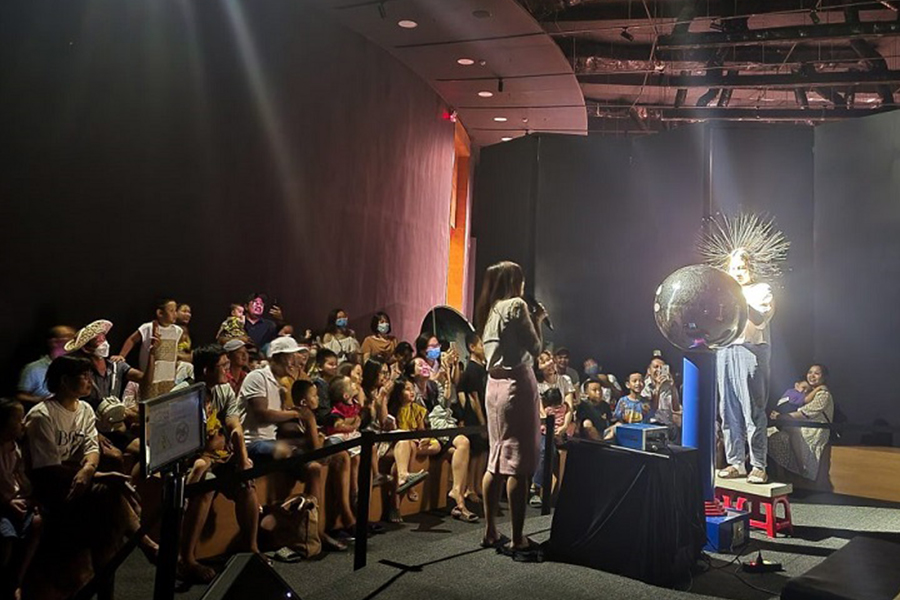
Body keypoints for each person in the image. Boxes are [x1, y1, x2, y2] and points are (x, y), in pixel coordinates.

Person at [24, 356, 155, 599]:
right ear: (64, 381)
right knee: (109, 496)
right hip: (54, 488)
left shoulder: (84, 409)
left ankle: (141, 544)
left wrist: (89, 470)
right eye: (83, 376)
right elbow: (47, 470)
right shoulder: (42, 416)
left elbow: (91, 447)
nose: (89, 381)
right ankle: (144, 542)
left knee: (108, 518)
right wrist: (100, 475)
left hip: (79, 481)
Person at [238, 339, 353, 550]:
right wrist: (298, 414)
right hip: (253, 442)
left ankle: (312, 530)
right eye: (291, 358)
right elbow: (262, 413)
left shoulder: (281, 383)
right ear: (279, 357)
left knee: (318, 464)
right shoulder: (257, 376)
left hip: (273, 439)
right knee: (292, 452)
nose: (294, 362)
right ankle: (296, 525)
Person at [475, 260, 546, 559]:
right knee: (519, 460)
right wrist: (538, 319)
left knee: (496, 458)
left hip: (494, 388)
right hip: (516, 387)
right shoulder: (516, 306)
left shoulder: (490, 310)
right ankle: (518, 538)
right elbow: (536, 347)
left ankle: (491, 530)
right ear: (516, 282)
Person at [178, 345, 260, 584]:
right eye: (223, 366)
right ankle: (187, 558)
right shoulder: (184, 393)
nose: (228, 370)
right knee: (207, 484)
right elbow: (187, 440)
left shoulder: (224, 390)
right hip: (192, 461)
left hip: (218, 456)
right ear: (206, 369)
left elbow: (234, 426)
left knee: (246, 483)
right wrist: (213, 444)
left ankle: (251, 548)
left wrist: (243, 459)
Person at [717, 249, 777, 484]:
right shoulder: (723, 291)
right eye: (733, 268)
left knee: (752, 409)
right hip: (725, 348)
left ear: (751, 268)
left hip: (751, 350)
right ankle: (735, 462)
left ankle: (759, 465)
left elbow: (760, 319)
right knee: (727, 409)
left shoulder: (763, 290)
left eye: (741, 267)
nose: (737, 272)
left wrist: (738, 297)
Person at [0, 398, 41, 600]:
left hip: (16, 501)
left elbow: (19, 475)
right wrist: (7, 502)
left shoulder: (14, 447)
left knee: (37, 523)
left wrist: (29, 496)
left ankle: (18, 579)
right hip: (4, 505)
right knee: (6, 539)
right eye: (17, 419)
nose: (23, 423)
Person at [768, 364, 835, 481]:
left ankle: (801, 468)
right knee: (773, 435)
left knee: (788, 432)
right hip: (801, 425)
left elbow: (805, 413)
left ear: (823, 378)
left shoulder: (823, 394)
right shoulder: (807, 393)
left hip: (814, 430)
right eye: (810, 372)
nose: (812, 376)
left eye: (817, 373)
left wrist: (782, 416)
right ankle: (784, 473)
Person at [117, 298, 185, 398]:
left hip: (169, 378)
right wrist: (121, 355)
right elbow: (132, 340)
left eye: (175, 310)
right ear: (160, 313)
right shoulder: (148, 328)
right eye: (171, 311)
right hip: (151, 378)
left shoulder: (178, 331)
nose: (175, 314)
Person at [455, 332, 488, 500]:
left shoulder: (483, 368)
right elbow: (473, 397)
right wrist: (482, 422)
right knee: (475, 452)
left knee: (483, 451)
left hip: (484, 414)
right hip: (475, 417)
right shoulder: (472, 369)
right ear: (472, 347)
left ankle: (478, 485)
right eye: (482, 344)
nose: (485, 347)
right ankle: (469, 488)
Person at [16, 326, 75, 406]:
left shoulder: (76, 366)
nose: (72, 341)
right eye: (67, 336)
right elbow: (21, 396)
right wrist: (42, 400)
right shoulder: (33, 369)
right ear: (53, 342)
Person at [530, 388, 569, 508]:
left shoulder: (551, 410)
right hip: (548, 436)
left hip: (555, 435)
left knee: (551, 452)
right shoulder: (561, 408)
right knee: (546, 451)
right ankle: (538, 486)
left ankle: (539, 486)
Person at [643, 357, 682, 433]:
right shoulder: (645, 386)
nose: (659, 370)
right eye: (656, 367)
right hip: (652, 425)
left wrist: (673, 387)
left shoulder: (668, 385)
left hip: (667, 425)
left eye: (662, 368)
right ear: (649, 370)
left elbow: (676, 408)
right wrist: (657, 388)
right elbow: (651, 409)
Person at [535, 350, 576, 416]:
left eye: (548, 359)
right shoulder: (536, 385)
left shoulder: (565, 380)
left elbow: (569, 408)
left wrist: (564, 425)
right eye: (543, 362)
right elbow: (541, 411)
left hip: (564, 420)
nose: (549, 363)